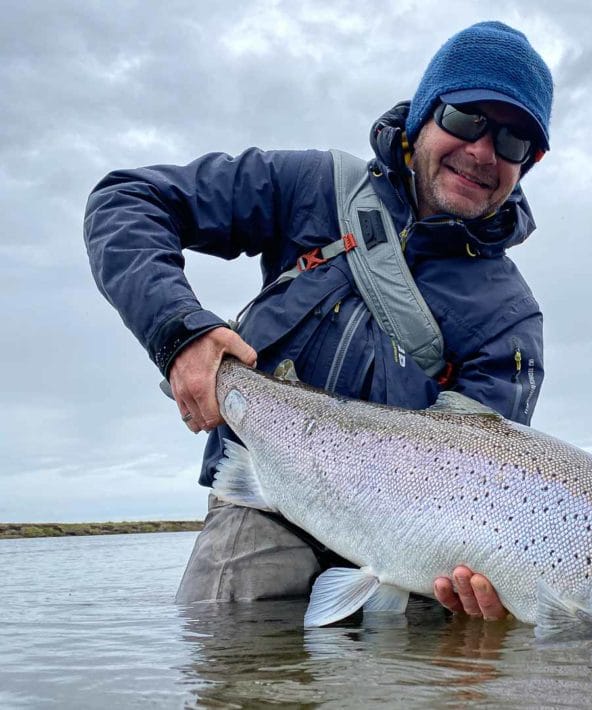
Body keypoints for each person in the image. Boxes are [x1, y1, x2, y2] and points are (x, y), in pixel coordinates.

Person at [84, 21, 554, 621]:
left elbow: (489, 484)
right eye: (466, 120)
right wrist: (177, 331)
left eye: (513, 142)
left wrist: (488, 595)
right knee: (235, 650)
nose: (484, 152)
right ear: (423, 118)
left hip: (416, 550)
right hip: (268, 498)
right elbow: (127, 201)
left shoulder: (510, 319)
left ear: (529, 163)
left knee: (451, 659)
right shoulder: (313, 188)